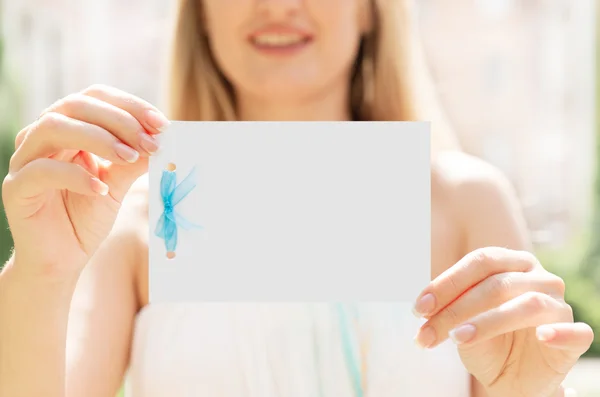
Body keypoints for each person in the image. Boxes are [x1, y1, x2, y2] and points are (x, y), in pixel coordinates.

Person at [0, 0, 593, 396]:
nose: (278, 3)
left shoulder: (466, 203)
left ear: (369, 11)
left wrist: (531, 392)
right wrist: (41, 276)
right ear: (200, 13)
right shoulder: (128, 222)